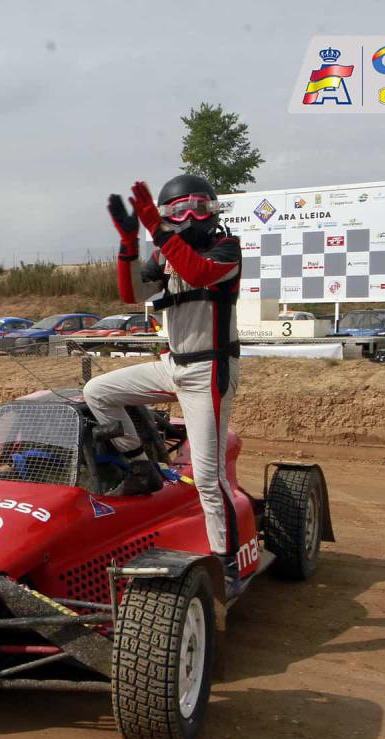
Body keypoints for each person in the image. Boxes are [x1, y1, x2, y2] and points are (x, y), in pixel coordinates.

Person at [83, 174, 242, 579]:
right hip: (173, 365)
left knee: (208, 477)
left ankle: (226, 562)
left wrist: (157, 226)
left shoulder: (226, 249)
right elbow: (130, 294)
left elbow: (199, 273)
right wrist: (129, 243)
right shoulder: (167, 253)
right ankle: (141, 466)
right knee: (98, 391)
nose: (190, 217)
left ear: (213, 210)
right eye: (179, 210)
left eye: (198, 208)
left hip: (209, 370)